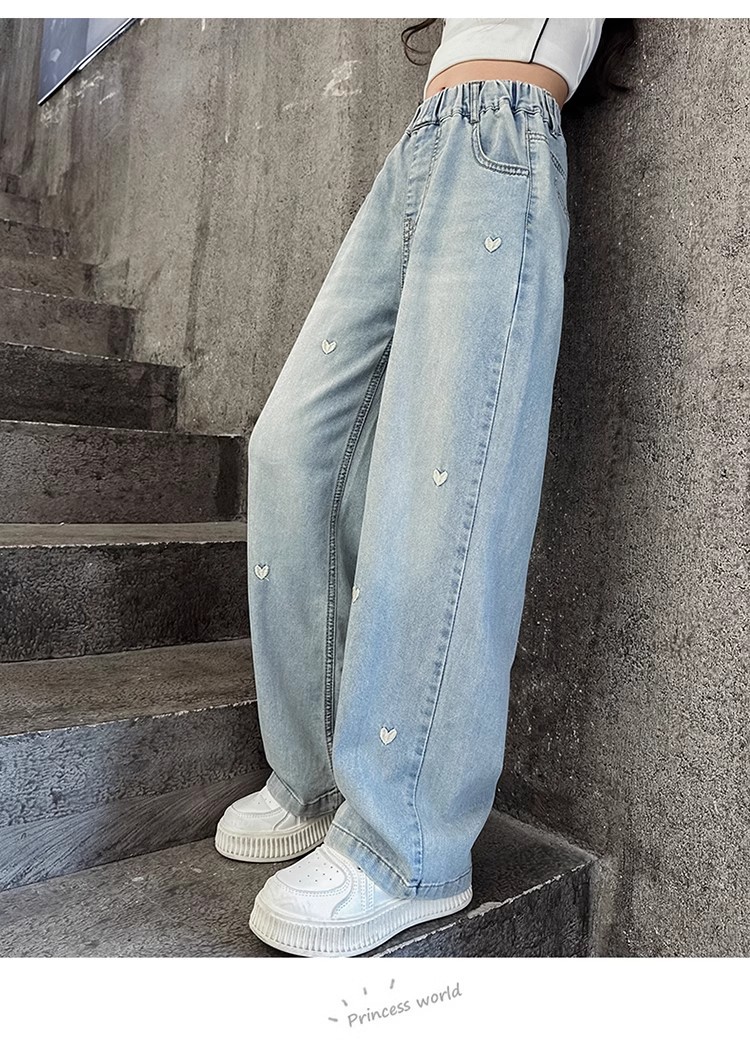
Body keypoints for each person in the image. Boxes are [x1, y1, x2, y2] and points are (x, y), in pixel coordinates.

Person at [214, 17, 635, 958]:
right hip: (422, 144)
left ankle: (405, 845)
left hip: (506, 138)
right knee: (291, 448)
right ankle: (314, 779)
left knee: (439, 479)